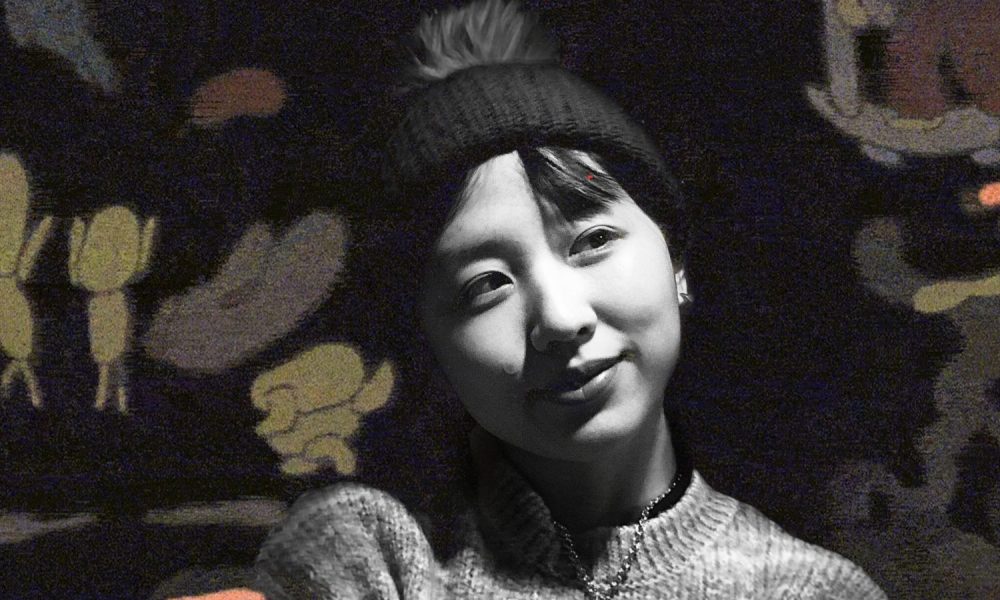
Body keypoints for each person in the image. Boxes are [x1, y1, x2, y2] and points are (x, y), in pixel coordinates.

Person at [254, 1, 888, 598]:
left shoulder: (807, 588)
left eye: (593, 241)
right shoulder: (367, 554)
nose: (560, 318)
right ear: (430, 343)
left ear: (675, 262)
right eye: (486, 285)